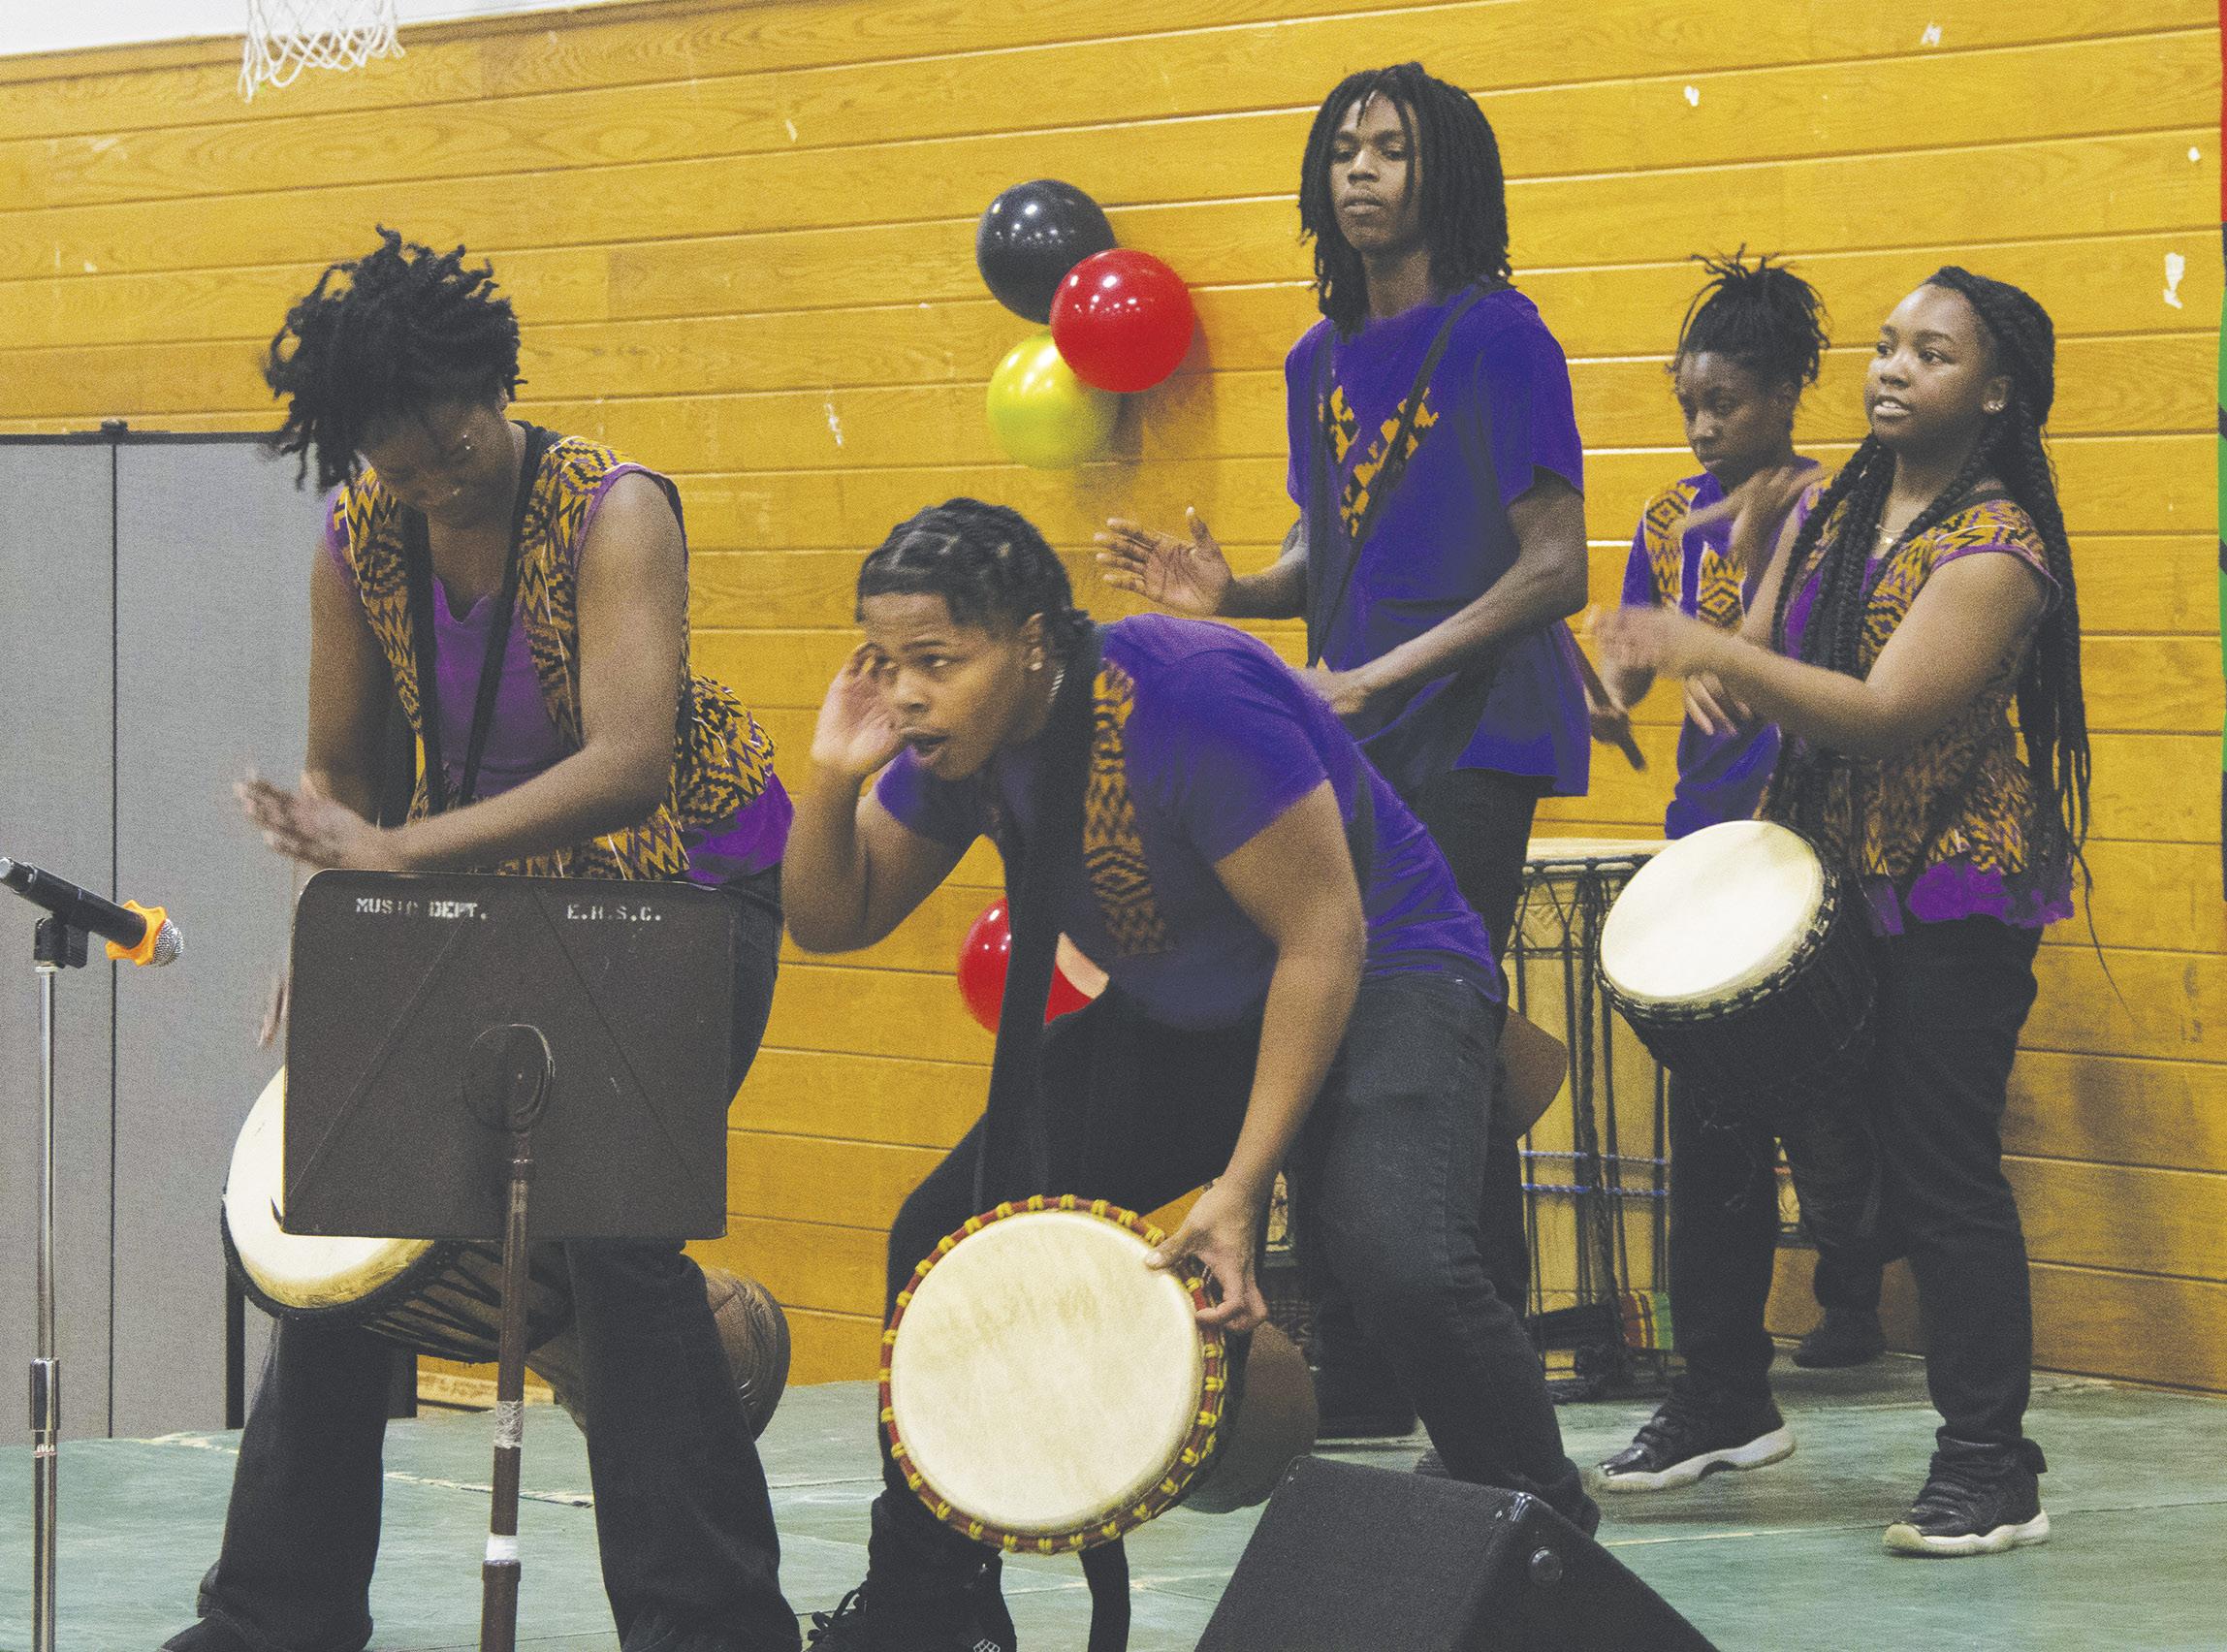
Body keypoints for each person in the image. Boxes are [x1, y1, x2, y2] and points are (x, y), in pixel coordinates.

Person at [787, 499, 1597, 1650]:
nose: (906, 693)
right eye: (886, 662)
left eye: (935, 660)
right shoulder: (958, 742)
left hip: (1385, 971)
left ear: (1030, 641)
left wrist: (1238, 1185)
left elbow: (1321, 938)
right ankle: (929, 1606)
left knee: (1399, 1262)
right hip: (1195, 1008)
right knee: (940, 1235)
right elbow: (835, 914)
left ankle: (1554, 1559)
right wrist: (830, 779)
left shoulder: (1184, 695)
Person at [170, 231, 802, 1652]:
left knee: (617, 1232)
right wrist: (337, 922)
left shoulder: (615, 509)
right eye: (397, 464)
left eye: (450, 437)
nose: (433, 474)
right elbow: (345, 772)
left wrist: (400, 858)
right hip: (485, 891)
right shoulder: (361, 536)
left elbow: (629, 764)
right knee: (337, 1217)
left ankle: (714, 1628)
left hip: (682, 886)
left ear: (490, 377)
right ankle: (271, 1618)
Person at [1098, 60, 1590, 1438]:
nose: (1360, 170)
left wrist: (1383, 674)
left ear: (1446, 174)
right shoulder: (1315, 358)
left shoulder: (1502, 338)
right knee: (1385, 1026)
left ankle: (1453, 1356)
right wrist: (1237, 592)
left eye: (1390, 149)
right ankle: (1395, 1359)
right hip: (1353, 731)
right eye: (1343, 151)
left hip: (1473, 732)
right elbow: (1332, 541)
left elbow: (1555, 566)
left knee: (1422, 1025)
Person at [1594, 269, 2089, 1557]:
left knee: (1938, 1176)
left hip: (1946, 893)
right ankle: (1721, 1395)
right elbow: (1760, 665)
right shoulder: (1839, 509)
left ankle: (1989, 1468)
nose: (1890, 368)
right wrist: (1715, 638)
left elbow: (1878, 715)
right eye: (1883, 345)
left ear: (1994, 392)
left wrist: (1708, 649)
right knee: (1727, 1119)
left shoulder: (1997, 550)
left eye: (1929, 353)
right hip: (1819, 882)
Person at [1589, 250, 1888, 1377]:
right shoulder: (1667, 518)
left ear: (1783, 393)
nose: (1702, 426)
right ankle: (1727, 1341)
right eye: (1688, 405)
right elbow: (1623, 678)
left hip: (1807, 829)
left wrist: (1733, 647)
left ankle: (1850, 1290)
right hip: (1703, 836)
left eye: (1724, 402)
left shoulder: (1836, 504)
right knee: (1720, 1102)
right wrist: (1600, 681)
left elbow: (1830, 665)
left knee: (1819, 1089)